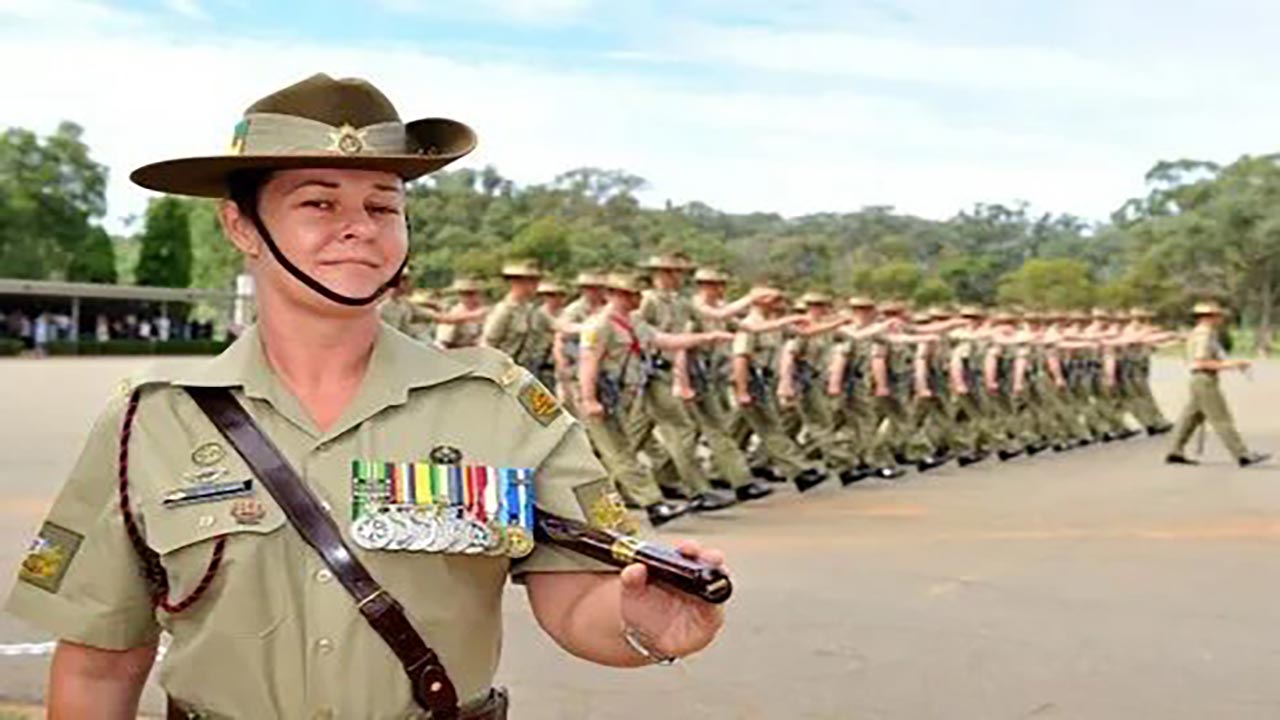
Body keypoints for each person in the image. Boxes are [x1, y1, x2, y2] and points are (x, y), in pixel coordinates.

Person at [6, 73, 726, 720]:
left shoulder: (496, 405)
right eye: (318, 202)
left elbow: (575, 601)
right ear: (241, 226)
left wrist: (640, 624)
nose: (359, 227)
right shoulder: (151, 420)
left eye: (383, 205)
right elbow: (101, 665)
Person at [1165, 301, 1270, 467]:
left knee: (1191, 417)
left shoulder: (1203, 333)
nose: (1221, 319)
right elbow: (1200, 362)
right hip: (1204, 378)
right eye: (1218, 315)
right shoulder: (1204, 335)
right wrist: (1233, 365)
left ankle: (1174, 450)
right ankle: (1242, 454)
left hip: (1201, 379)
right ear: (1209, 317)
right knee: (1221, 418)